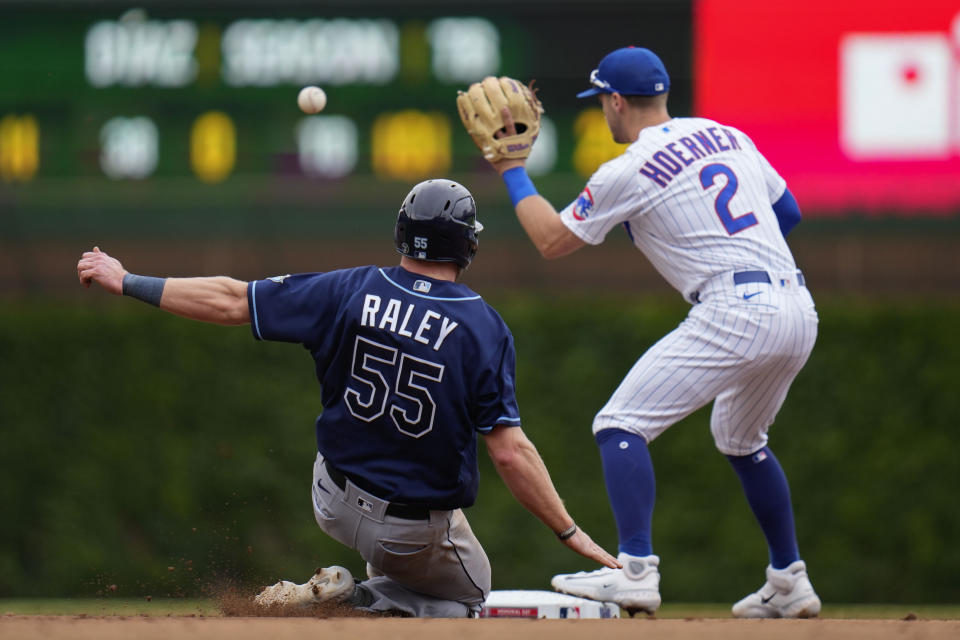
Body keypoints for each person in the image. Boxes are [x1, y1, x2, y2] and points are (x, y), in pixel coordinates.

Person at [76, 178, 618, 618]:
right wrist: (568, 530)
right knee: (465, 598)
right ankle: (359, 599)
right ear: (467, 245)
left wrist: (127, 280)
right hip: (413, 531)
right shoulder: (483, 327)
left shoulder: (348, 288)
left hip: (330, 499)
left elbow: (230, 300)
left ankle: (358, 588)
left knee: (400, 553)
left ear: (402, 234)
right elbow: (509, 451)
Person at [476, 47, 822, 618]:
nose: (603, 113)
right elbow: (788, 215)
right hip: (797, 306)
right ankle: (789, 579)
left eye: (601, 103)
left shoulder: (628, 168)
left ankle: (635, 571)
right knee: (742, 440)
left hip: (734, 308)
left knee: (620, 423)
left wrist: (511, 170)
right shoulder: (726, 134)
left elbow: (550, 240)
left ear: (615, 101)